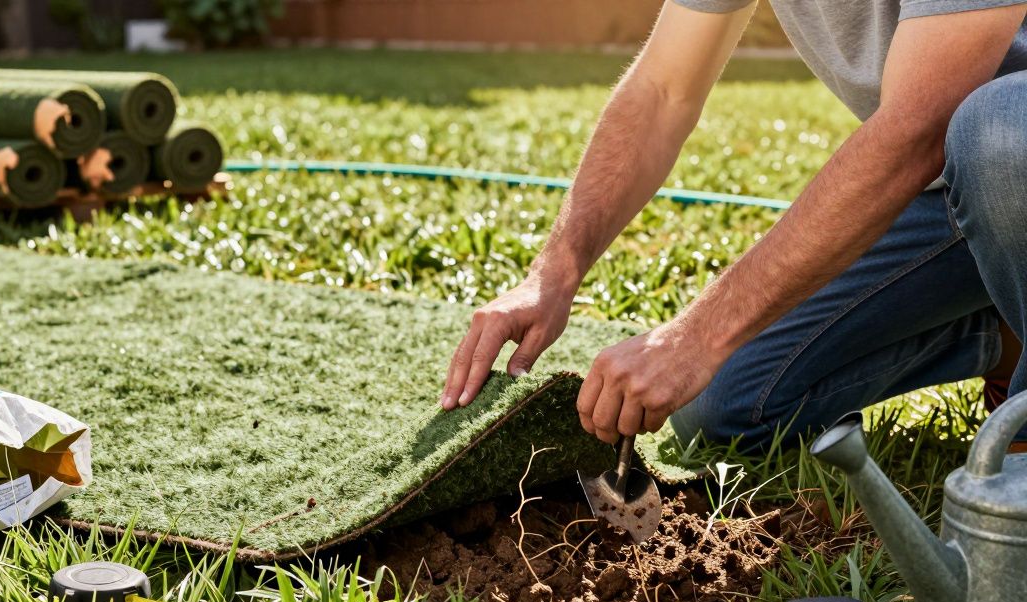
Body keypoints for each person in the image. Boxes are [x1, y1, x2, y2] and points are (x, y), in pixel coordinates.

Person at [439, 0, 1027, 449]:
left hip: (1004, 148)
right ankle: (1007, 334)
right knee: (726, 400)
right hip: (949, 190)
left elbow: (918, 127)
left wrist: (697, 335)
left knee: (999, 130)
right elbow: (663, 89)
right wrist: (554, 272)